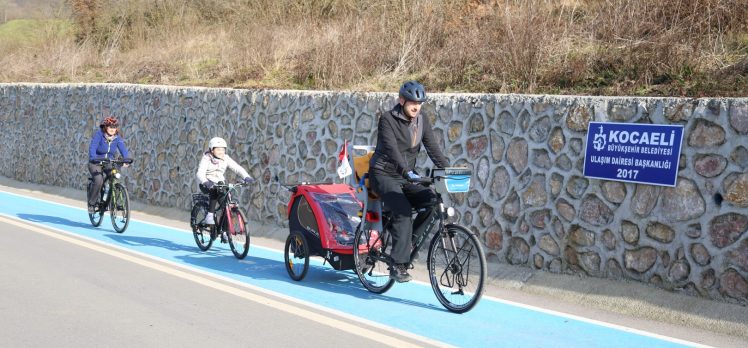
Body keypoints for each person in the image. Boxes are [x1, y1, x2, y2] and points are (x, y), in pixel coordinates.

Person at [369, 80, 450, 282]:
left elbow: (432, 148)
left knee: (431, 201)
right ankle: (397, 264)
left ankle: (408, 244)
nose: (416, 106)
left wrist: (448, 169)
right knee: (403, 210)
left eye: (420, 103)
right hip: (384, 174)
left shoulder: (421, 120)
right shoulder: (387, 120)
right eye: (412, 102)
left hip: (407, 176)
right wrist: (406, 172)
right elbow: (392, 151)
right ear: (401, 100)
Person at [196, 137, 254, 232]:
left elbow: (237, 168)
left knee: (226, 205)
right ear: (211, 149)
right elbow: (200, 173)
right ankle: (210, 215)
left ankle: (225, 231)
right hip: (206, 183)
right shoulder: (206, 158)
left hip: (219, 183)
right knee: (215, 190)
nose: (221, 151)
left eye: (223, 149)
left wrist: (246, 177)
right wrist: (206, 182)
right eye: (218, 149)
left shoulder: (225, 158)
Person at [88, 116, 130, 213]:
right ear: (106, 127)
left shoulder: (117, 138)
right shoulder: (99, 135)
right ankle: (92, 203)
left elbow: (123, 149)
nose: (112, 129)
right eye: (110, 127)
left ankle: (112, 201)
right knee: (98, 180)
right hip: (96, 162)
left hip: (109, 161)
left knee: (114, 176)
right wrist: (93, 158)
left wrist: (126, 160)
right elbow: (93, 147)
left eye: (114, 127)